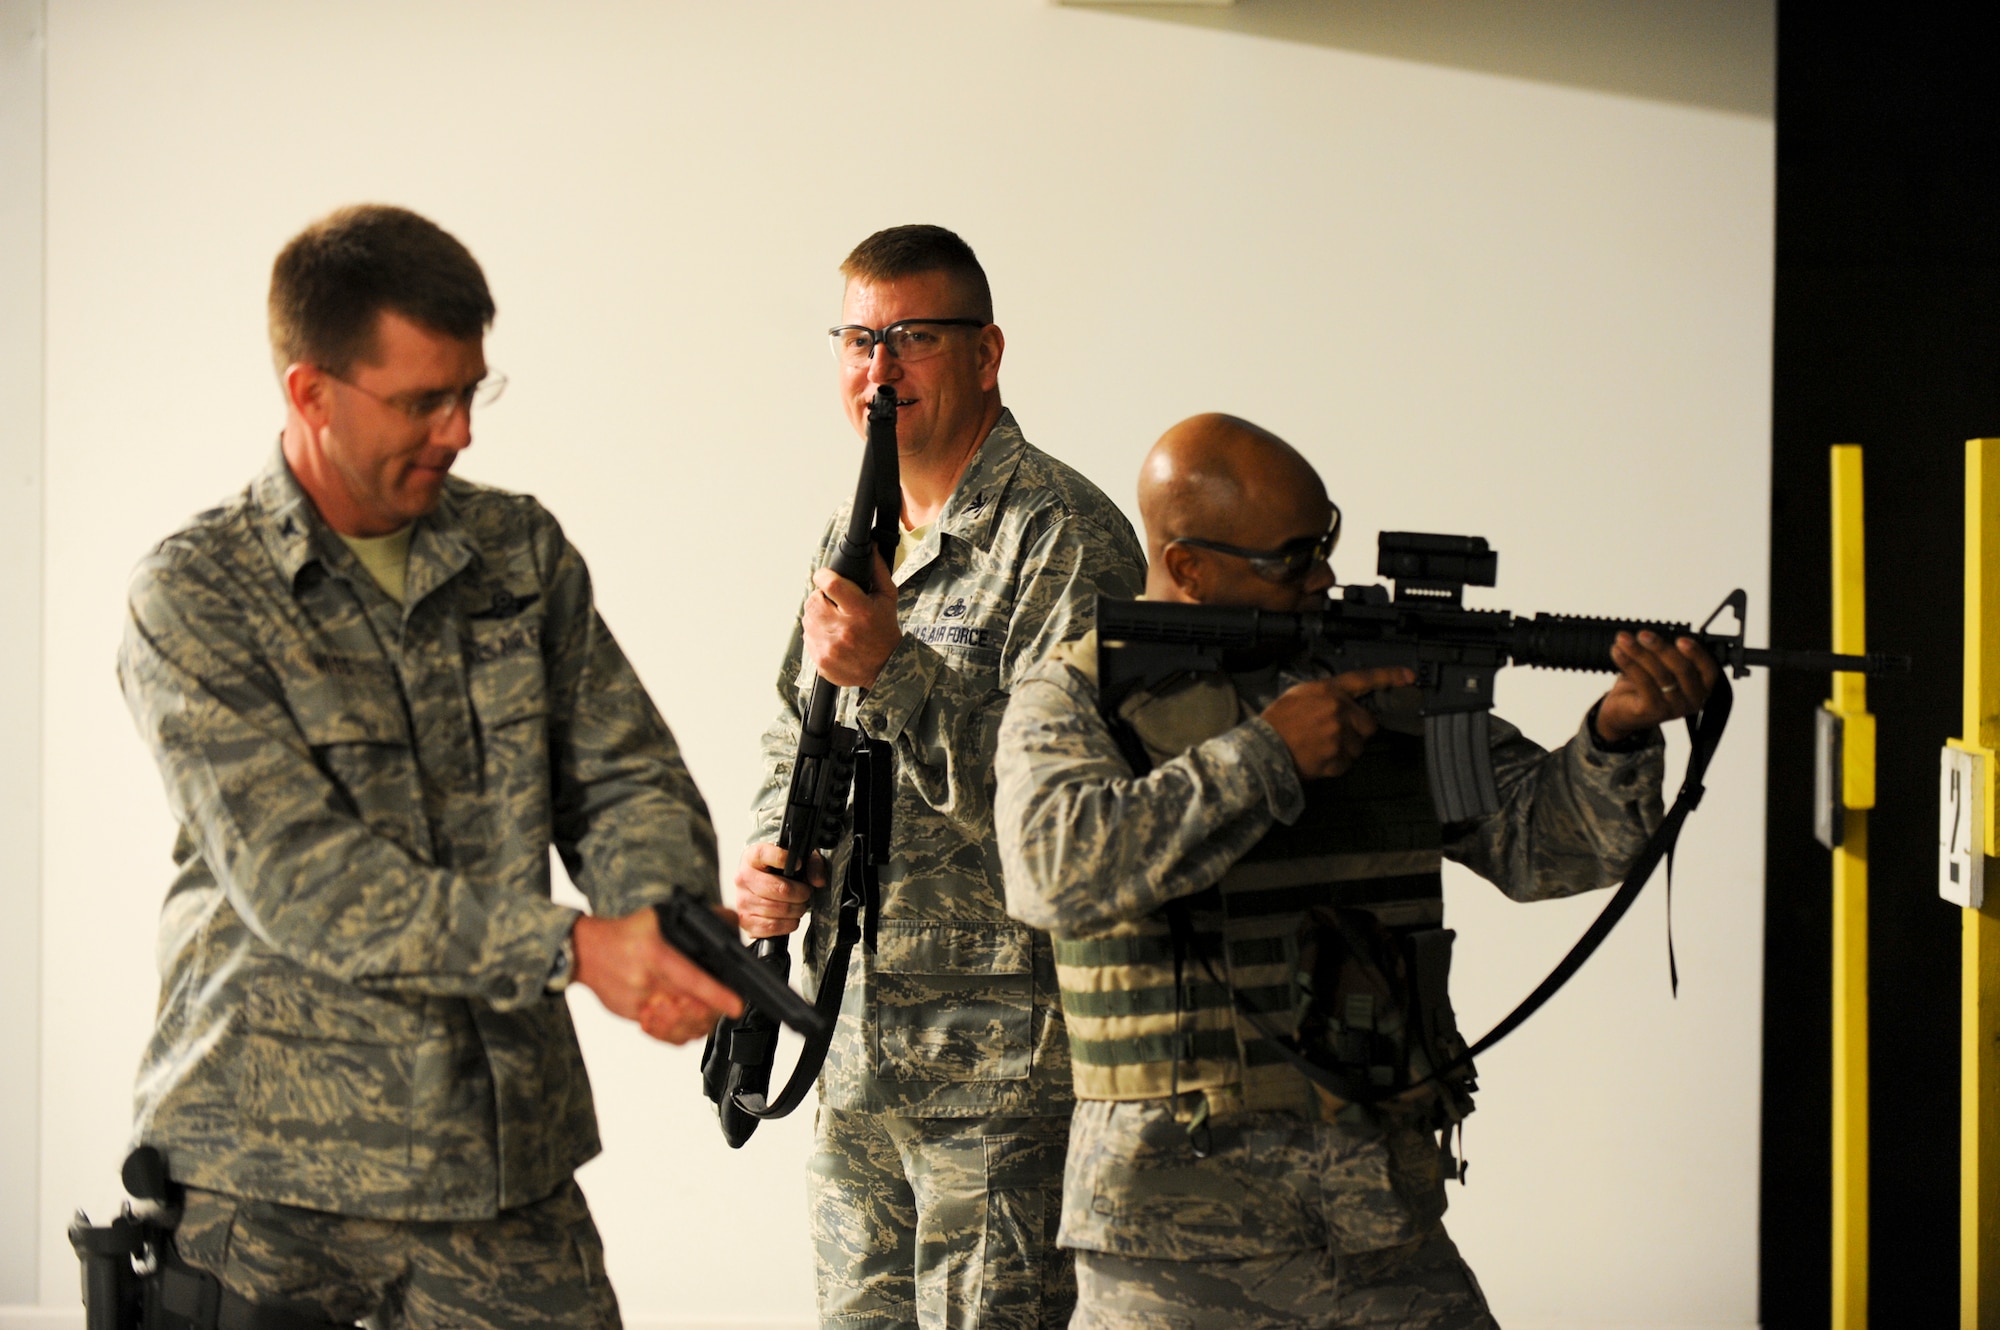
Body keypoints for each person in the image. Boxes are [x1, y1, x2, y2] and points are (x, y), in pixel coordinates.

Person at [116, 203, 742, 1329]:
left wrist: (655, 915)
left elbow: (621, 771)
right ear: (310, 392)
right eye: (421, 401)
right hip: (266, 1187)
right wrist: (577, 948)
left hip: (497, 1163)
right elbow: (303, 879)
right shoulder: (197, 593)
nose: (458, 432)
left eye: (471, 392)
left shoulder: (517, 550)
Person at [994, 413, 1718, 1329]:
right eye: (1292, 561)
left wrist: (1616, 731)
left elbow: (1545, 844)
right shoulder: (1078, 695)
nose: (1325, 579)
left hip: (1375, 1224)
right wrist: (1267, 756)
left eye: (1324, 544)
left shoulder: (1373, 685)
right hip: (1172, 1244)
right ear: (1188, 567)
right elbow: (1050, 871)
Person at [730, 224, 1147, 1329]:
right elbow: (796, 724)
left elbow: (1069, 810)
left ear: (986, 352)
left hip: (1002, 1078)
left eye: (912, 337)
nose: (880, 370)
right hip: (854, 1046)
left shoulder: (1065, 536)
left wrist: (897, 671)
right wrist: (778, 851)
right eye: (860, 339)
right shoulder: (856, 534)